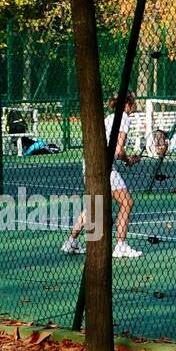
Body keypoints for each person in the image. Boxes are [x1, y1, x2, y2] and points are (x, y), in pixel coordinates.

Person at [63, 92, 143, 259]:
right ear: (128, 104)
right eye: (134, 102)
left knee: (94, 205)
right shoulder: (124, 118)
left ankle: (71, 241)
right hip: (104, 167)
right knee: (127, 203)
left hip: (90, 164)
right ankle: (120, 245)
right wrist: (129, 160)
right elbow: (118, 149)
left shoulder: (109, 118)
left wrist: (126, 158)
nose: (135, 106)